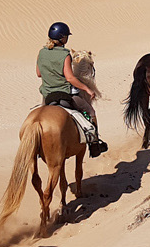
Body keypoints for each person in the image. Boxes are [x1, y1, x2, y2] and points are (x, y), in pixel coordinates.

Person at [37, 22, 107, 157]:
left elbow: (39, 73)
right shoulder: (65, 54)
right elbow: (70, 78)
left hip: (47, 95)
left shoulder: (42, 52)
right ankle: (94, 144)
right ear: (63, 38)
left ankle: (40, 149)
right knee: (90, 111)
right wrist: (87, 89)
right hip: (65, 94)